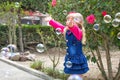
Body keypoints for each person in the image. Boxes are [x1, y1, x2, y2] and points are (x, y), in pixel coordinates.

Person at [46, 12, 89, 79]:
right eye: (68, 19)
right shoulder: (67, 31)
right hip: (70, 58)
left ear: (79, 22)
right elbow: (59, 26)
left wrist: (71, 26)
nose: (69, 21)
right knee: (73, 77)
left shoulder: (79, 32)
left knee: (78, 76)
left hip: (77, 60)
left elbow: (74, 29)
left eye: (71, 20)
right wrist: (51, 21)